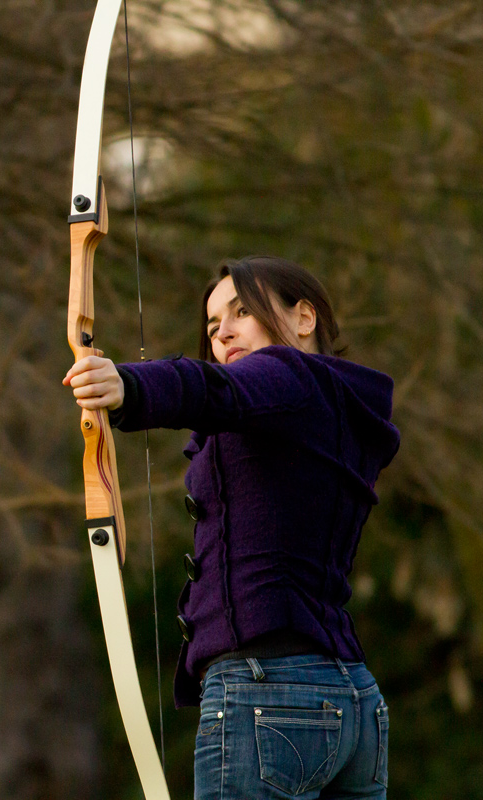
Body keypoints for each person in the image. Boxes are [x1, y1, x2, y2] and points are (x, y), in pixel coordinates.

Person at [62, 255, 400, 800]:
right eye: (214, 324)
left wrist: (127, 385)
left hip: (267, 690)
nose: (223, 332)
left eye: (242, 311)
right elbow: (223, 394)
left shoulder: (291, 375)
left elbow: (211, 388)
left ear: (304, 318)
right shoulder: (326, 406)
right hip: (353, 698)